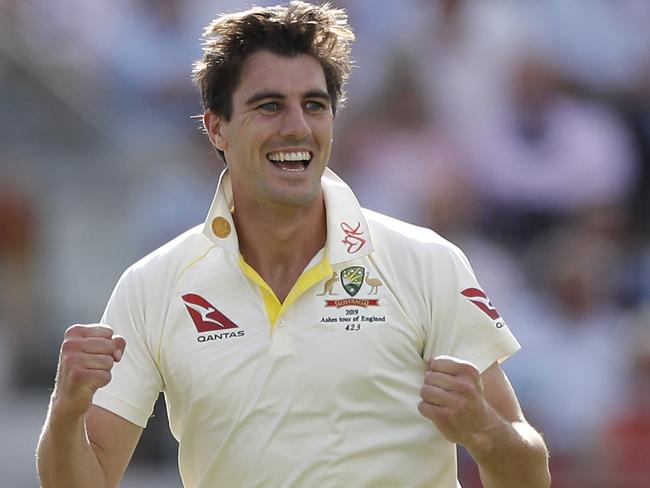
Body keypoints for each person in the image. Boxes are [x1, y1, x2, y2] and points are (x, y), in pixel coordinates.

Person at [36, 2, 550, 487]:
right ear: (216, 128)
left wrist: (482, 429)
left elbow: (530, 473)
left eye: (314, 105)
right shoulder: (153, 284)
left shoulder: (427, 262)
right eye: (269, 106)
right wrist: (67, 408)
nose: (297, 127)